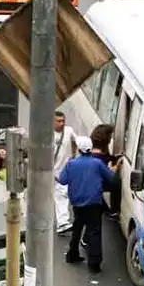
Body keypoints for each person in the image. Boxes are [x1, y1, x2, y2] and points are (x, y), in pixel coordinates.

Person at [58, 137, 119, 274]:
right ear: (90, 148)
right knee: (94, 232)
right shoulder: (97, 163)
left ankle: (72, 254)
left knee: (77, 229)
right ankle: (94, 263)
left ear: (79, 149)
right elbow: (111, 179)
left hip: (77, 204)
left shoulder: (71, 164)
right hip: (94, 203)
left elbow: (62, 180)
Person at [52, 111, 77, 235]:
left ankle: (62, 222)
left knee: (62, 194)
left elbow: (75, 142)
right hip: (51, 171)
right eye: (59, 121)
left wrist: (73, 156)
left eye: (63, 121)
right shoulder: (47, 135)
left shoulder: (69, 131)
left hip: (65, 170)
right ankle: (61, 222)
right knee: (58, 195)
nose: (62, 123)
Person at [90, 124, 120, 219]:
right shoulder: (96, 155)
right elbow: (108, 172)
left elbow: (107, 157)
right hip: (95, 181)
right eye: (110, 136)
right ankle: (112, 211)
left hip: (97, 179)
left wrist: (114, 157)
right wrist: (117, 166)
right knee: (116, 184)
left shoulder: (104, 149)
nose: (111, 139)